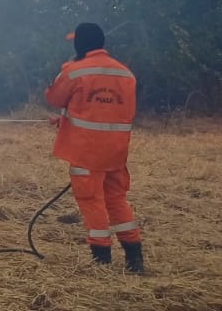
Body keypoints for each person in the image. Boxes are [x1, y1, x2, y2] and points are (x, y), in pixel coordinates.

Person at [45, 22, 144, 273]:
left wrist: (66, 69)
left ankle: (101, 261)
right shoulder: (126, 74)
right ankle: (135, 260)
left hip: (86, 152)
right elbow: (109, 113)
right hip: (116, 154)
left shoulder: (75, 71)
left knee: (92, 200)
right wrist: (67, 119)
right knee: (117, 200)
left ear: (80, 44)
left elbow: (54, 97)